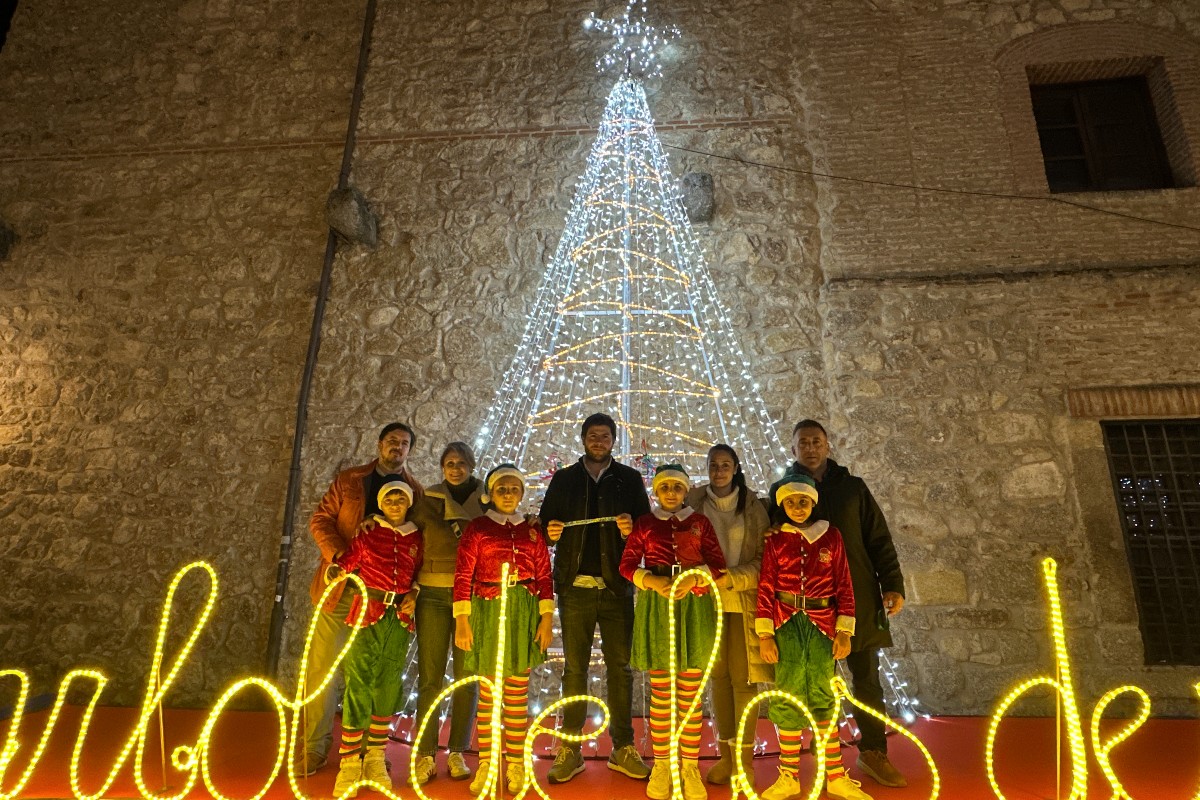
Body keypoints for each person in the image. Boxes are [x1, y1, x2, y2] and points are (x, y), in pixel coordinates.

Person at [770, 420, 908, 788]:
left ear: (827, 445)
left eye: (817, 441)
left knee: (866, 678)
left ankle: (873, 752)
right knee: (811, 679)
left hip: (856, 597)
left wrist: (893, 584)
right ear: (794, 448)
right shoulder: (781, 492)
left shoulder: (853, 489)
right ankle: (819, 758)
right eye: (803, 443)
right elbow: (772, 541)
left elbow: (878, 537)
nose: (811, 448)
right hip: (803, 609)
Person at [301, 422, 424, 774]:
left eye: (404, 443)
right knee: (323, 669)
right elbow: (321, 519)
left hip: (382, 602)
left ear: (410, 450)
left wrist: (413, 590)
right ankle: (315, 747)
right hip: (342, 590)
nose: (397, 448)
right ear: (379, 444)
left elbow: (415, 547)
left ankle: (370, 751)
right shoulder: (351, 480)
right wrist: (341, 559)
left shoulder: (415, 492)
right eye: (391, 441)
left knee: (374, 674)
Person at [539, 412, 652, 783]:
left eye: (605, 435)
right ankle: (571, 749)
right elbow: (545, 529)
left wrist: (632, 529)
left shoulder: (630, 479)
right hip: (575, 589)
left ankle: (622, 746)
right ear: (583, 439)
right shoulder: (565, 479)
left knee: (621, 669)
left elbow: (646, 532)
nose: (598, 441)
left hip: (618, 589)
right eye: (592, 435)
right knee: (574, 670)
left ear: (614, 440)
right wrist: (551, 532)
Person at [757, 474, 869, 800]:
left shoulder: (831, 536)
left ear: (813, 502)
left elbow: (844, 583)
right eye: (790, 502)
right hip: (787, 625)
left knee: (823, 695)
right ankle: (789, 775)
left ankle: (834, 775)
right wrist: (765, 634)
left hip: (823, 625)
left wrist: (844, 630)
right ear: (782, 505)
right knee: (788, 695)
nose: (798, 507)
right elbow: (766, 587)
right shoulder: (776, 541)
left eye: (803, 501)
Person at [620, 464, 727, 800]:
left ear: (684, 491)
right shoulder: (645, 524)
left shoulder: (700, 523)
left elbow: (719, 564)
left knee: (691, 694)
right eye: (664, 487)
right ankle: (664, 763)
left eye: (677, 488)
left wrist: (696, 578)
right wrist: (650, 580)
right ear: (656, 491)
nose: (670, 493)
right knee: (663, 692)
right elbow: (626, 565)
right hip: (658, 607)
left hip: (693, 606)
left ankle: (690, 765)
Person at [454, 464, 555, 796]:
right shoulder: (478, 529)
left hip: (522, 612)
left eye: (514, 489)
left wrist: (544, 619)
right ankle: (487, 760)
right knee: (489, 693)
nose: (508, 495)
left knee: (516, 691)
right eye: (502, 489)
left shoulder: (532, 531)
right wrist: (463, 619)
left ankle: (514, 760)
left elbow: (544, 576)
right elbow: (463, 574)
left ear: (522, 494)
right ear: (491, 494)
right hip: (486, 609)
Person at [685, 444, 773, 785]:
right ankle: (726, 756)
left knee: (744, 680)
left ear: (735, 467)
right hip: (706, 604)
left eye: (725, 464)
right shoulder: (692, 504)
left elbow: (765, 560)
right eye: (713, 464)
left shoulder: (753, 506)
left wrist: (732, 578)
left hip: (743, 603)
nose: (719, 470)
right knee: (718, 680)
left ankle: (745, 763)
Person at [329, 481, 423, 797]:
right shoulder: (369, 532)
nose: (396, 502)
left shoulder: (416, 537)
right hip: (366, 612)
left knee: (389, 683)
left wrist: (415, 592)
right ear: (381, 504)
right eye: (390, 498)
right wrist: (336, 572)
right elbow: (348, 561)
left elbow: (420, 571)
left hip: (398, 620)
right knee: (359, 681)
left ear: (408, 503)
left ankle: (375, 756)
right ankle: (349, 763)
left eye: (401, 498)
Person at [408, 442, 485, 785]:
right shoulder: (426, 501)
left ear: (471, 465)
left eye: (462, 463)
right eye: (449, 463)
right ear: (442, 467)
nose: (456, 468)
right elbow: (411, 544)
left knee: (467, 676)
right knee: (430, 676)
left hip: (471, 596)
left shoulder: (487, 501)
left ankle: (457, 750)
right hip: (434, 595)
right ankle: (425, 753)